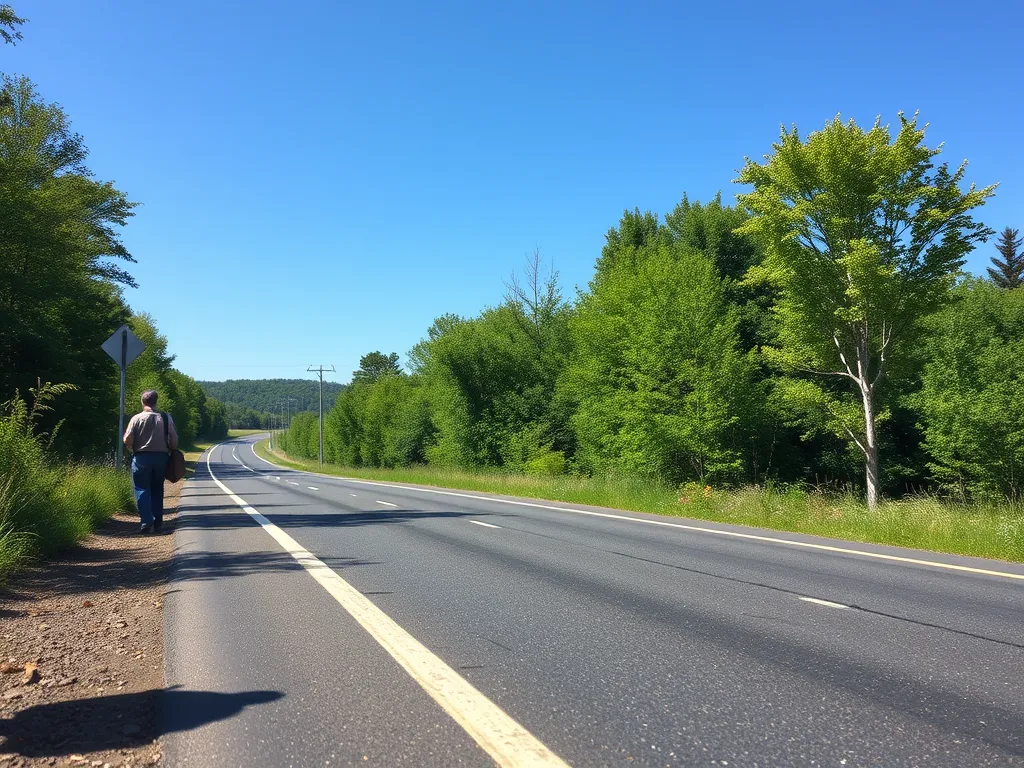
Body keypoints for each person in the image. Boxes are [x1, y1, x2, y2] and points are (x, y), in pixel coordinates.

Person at [123, 390, 178, 533]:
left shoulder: (136, 418)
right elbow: (174, 440)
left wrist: (131, 446)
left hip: (141, 457)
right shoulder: (165, 418)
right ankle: (158, 521)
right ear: (156, 401)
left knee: (142, 489)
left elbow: (127, 439)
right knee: (157, 489)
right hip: (161, 458)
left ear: (143, 402)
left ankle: (147, 523)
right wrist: (171, 449)